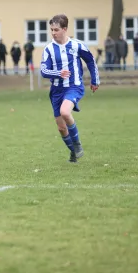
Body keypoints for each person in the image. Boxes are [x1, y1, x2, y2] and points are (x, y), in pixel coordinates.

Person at [40, 14, 100, 163]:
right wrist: (58, 74)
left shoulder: (77, 45)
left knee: (65, 112)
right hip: (56, 91)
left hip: (74, 86)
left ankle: (78, 145)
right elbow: (43, 71)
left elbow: (90, 61)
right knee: (61, 128)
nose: (53, 33)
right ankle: (73, 152)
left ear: (65, 29)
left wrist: (95, 80)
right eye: (51, 30)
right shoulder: (48, 49)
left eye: (56, 29)